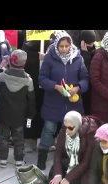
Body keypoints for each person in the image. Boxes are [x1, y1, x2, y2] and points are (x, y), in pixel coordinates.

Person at [37, 31, 89, 170]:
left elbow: (85, 79)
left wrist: (78, 87)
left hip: (73, 103)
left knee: (69, 131)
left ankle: (66, 157)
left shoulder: (78, 58)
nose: (64, 49)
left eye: (67, 46)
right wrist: (55, 87)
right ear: (56, 45)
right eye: (61, 46)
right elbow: (42, 79)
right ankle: (42, 156)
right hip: (53, 101)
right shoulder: (49, 58)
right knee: (49, 128)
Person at [49, 111, 102, 184]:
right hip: (68, 163)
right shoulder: (65, 129)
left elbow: (86, 162)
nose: (67, 130)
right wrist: (58, 175)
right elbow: (58, 154)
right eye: (65, 127)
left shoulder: (89, 133)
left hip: (83, 169)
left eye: (70, 128)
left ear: (78, 126)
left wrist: (68, 178)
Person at [0, 49, 36, 168]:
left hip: (4, 114)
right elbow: (31, 100)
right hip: (19, 115)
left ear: (11, 62)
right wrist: (30, 115)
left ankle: (3, 160)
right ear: (24, 63)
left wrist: (3, 67)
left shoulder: (3, 76)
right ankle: (19, 160)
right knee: (19, 138)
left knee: (3, 137)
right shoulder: (28, 80)